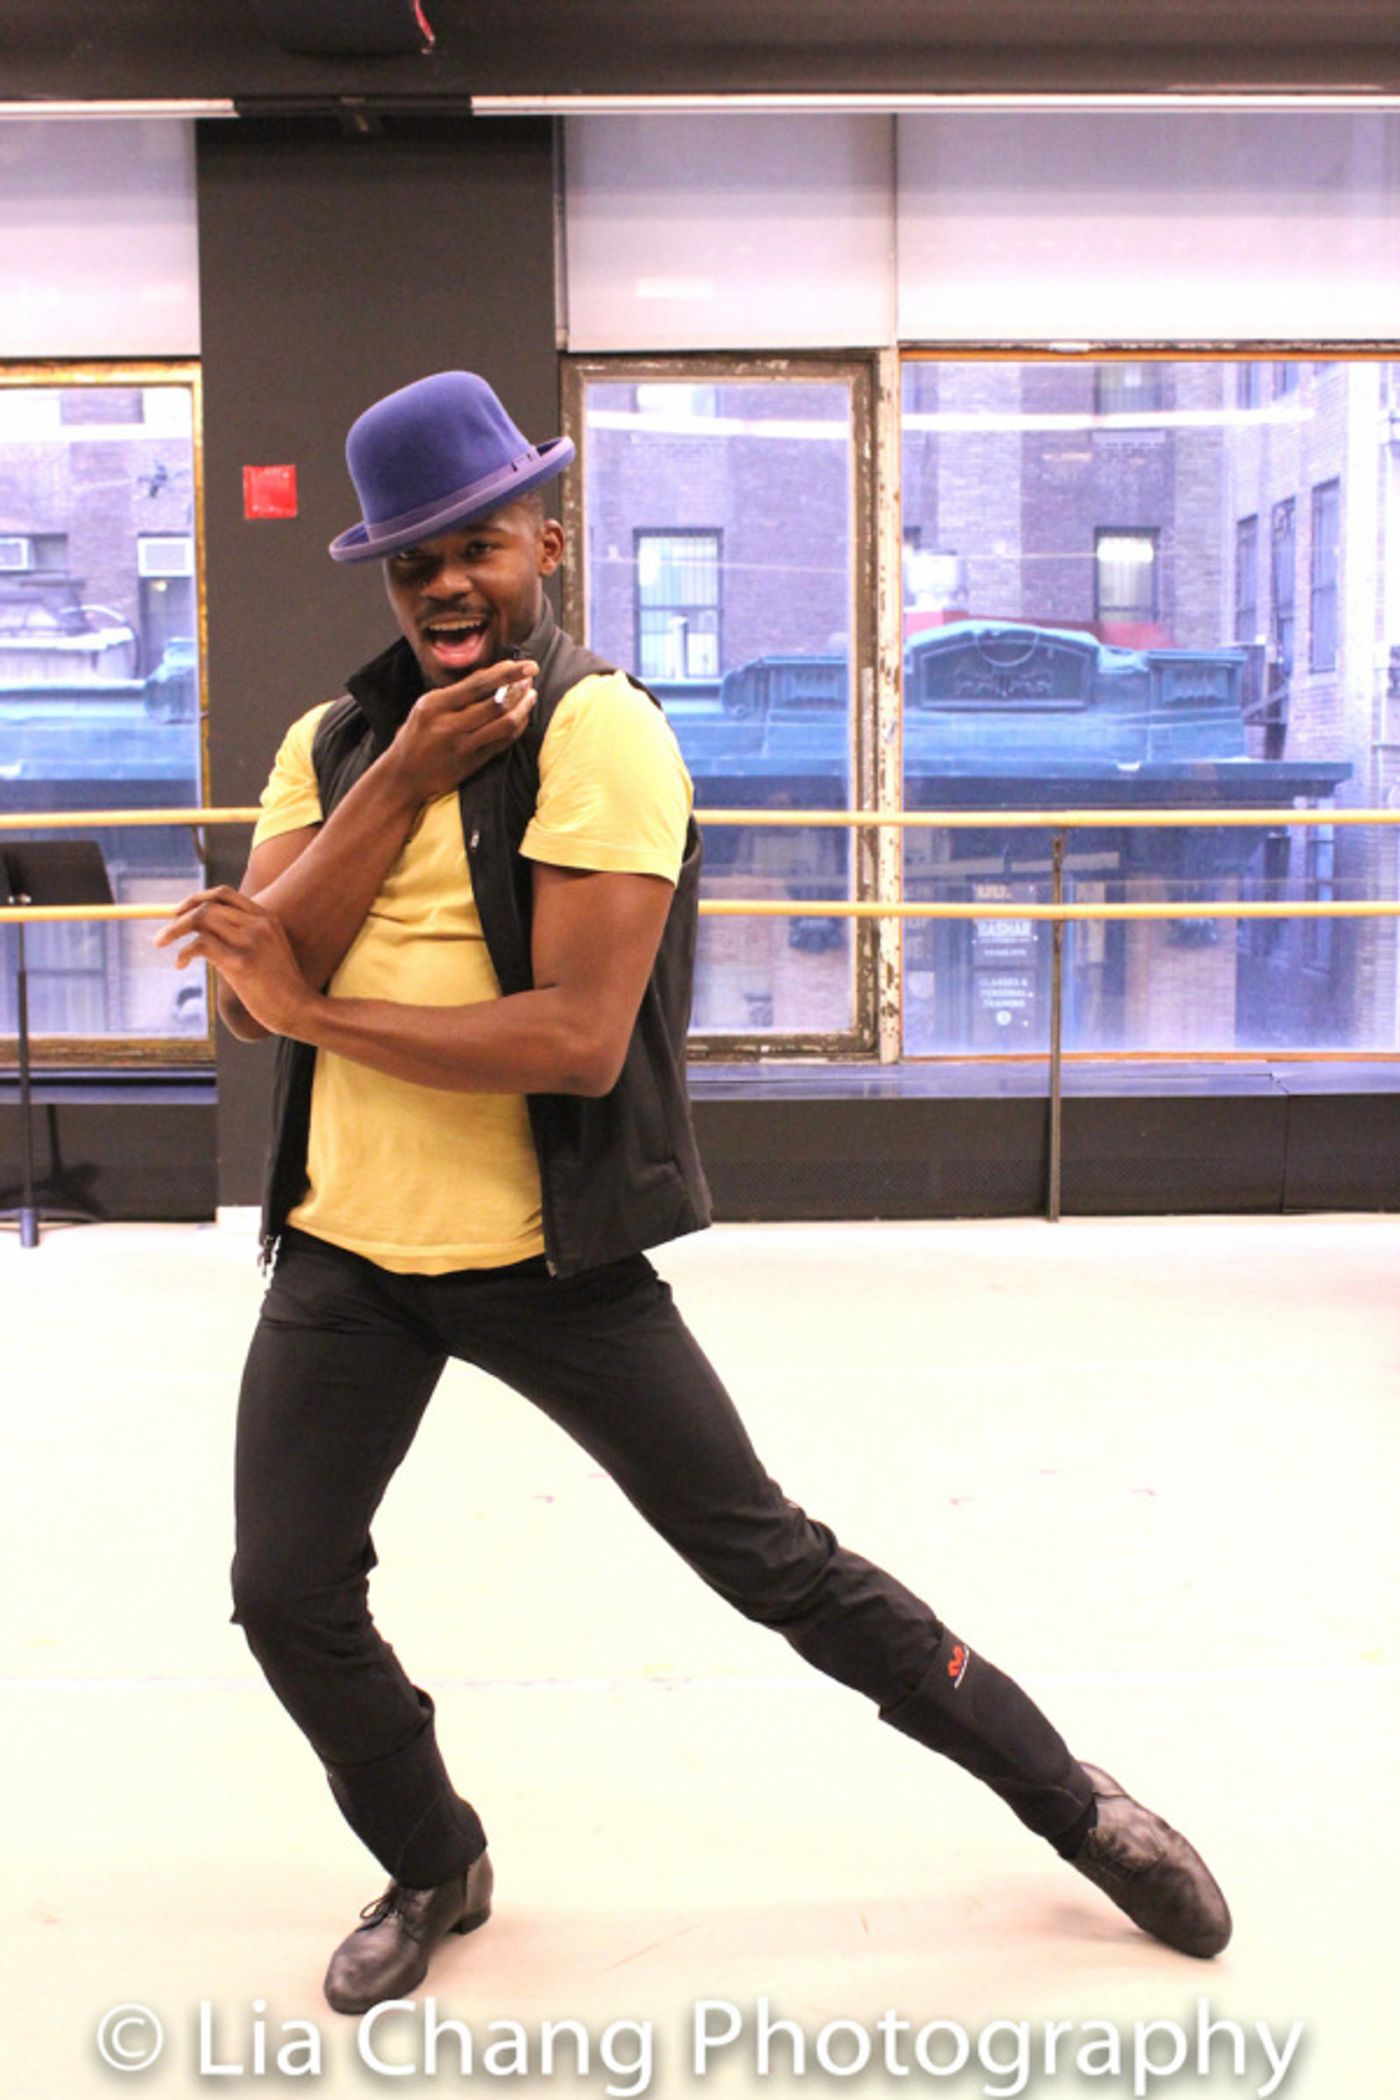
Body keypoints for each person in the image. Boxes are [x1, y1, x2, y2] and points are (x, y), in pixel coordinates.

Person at [158, 371, 1231, 2017]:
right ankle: (435, 1859)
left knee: (777, 1566)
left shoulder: (604, 735)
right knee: (283, 1590)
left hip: (548, 1259)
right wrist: (395, 788)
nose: (446, 583)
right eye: (410, 561)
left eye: (478, 546)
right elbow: (255, 982)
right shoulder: (333, 745)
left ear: (548, 543)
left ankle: (1077, 1802)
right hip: (350, 1255)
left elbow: (575, 1043)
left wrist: (308, 1011)